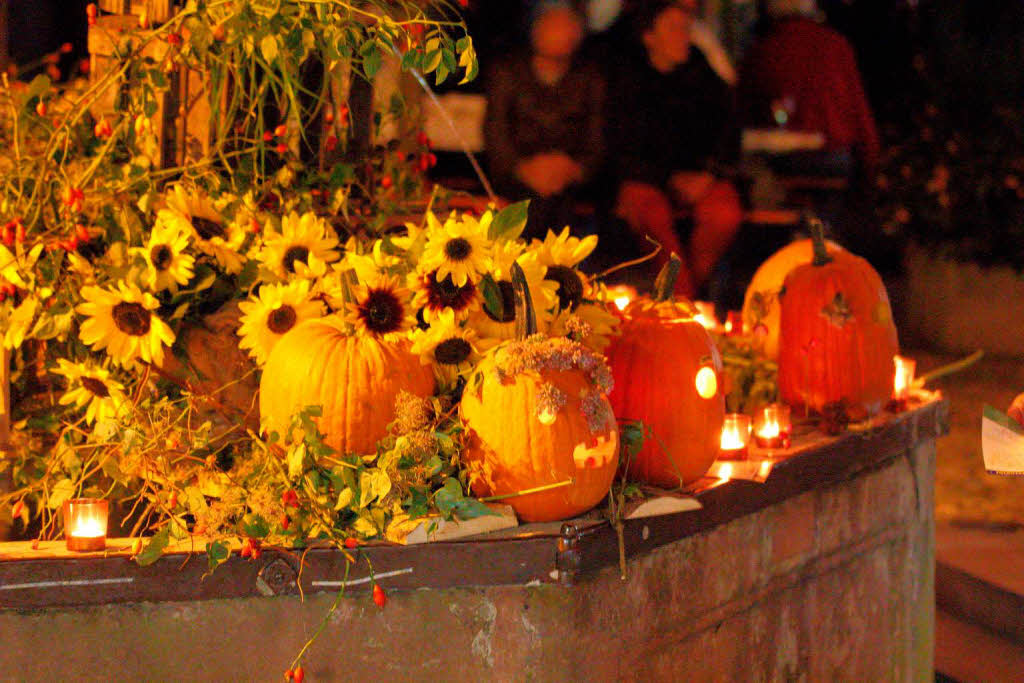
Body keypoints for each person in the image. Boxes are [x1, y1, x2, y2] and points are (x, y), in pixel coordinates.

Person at [604, 0, 743, 297]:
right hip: (644, 179)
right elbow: (621, 148)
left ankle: (687, 290)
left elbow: (728, 129)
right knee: (651, 216)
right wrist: (667, 178)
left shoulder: (702, 72)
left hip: (697, 175)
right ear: (649, 36)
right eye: (674, 29)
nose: (683, 36)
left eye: (685, 29)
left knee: (724, 212)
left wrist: (708, 173)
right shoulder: (625, 78)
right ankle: (684, 300)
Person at [483, 1, 605, 240]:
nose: (563, 35)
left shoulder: (590, 79)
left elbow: (597, 135)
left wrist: (573, 169)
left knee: (560, 207)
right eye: (554, 27)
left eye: (569, 28)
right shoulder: (506, 72)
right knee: (533, 207)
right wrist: (523, 169)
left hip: (568, 176)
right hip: (517, 174)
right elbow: (495, 132)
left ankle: (560, 270)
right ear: (536, 31)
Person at [738, 0, 880, 177]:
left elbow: (742, 112)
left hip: (780, 160)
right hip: (833, 155)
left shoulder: (761, 51)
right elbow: (859, 113)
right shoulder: (835, 46)